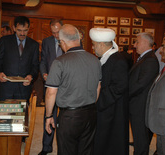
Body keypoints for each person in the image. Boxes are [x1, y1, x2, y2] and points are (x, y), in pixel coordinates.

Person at [45, 24, 101, 155]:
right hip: (91, 113)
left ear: (62, 42)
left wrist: (48, 116)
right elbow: (98, 87)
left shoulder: (59, 62)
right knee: (86, 150)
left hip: (70, 116)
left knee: (67, 150)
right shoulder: (95, 60)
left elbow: (51, 92)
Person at [89, 28, 129, 155]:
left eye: (94, 45)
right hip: (107, 108)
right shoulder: (109, 57)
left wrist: (98, 99)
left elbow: (120, 86)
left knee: (111, 143)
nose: (93, 48)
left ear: (101, 44)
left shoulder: (118, 60)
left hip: (113, 110)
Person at [0, 16, 39, 101]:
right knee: (5, 113)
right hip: (6, 87)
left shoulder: (34, 45)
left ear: (28, 29)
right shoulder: (4, 41)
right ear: (14, 28)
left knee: (22, 113)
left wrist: (31, 76)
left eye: (25, 30)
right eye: (19, 30)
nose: (22, 33)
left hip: (24, 88)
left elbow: (35, 65)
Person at [129, 32, 159, 155]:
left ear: (146, 43)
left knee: (141, 139)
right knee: (138, 137)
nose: (134, 45)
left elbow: (141, 84)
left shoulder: (150, 60)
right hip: (137, 104)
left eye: (137, 42)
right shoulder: (144, 58)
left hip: (140, 106)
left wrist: (125, 93)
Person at [38, 19, 63, 155]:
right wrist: (44, 73)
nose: (56, 35)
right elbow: (42, 61)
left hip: (66, 86)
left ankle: (63, 148)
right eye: (53, 32)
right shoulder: (47, 41)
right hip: (51, 84)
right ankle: (46, 147)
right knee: (49, 116)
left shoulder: (70, 40)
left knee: (64, 119)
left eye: (58, 32)